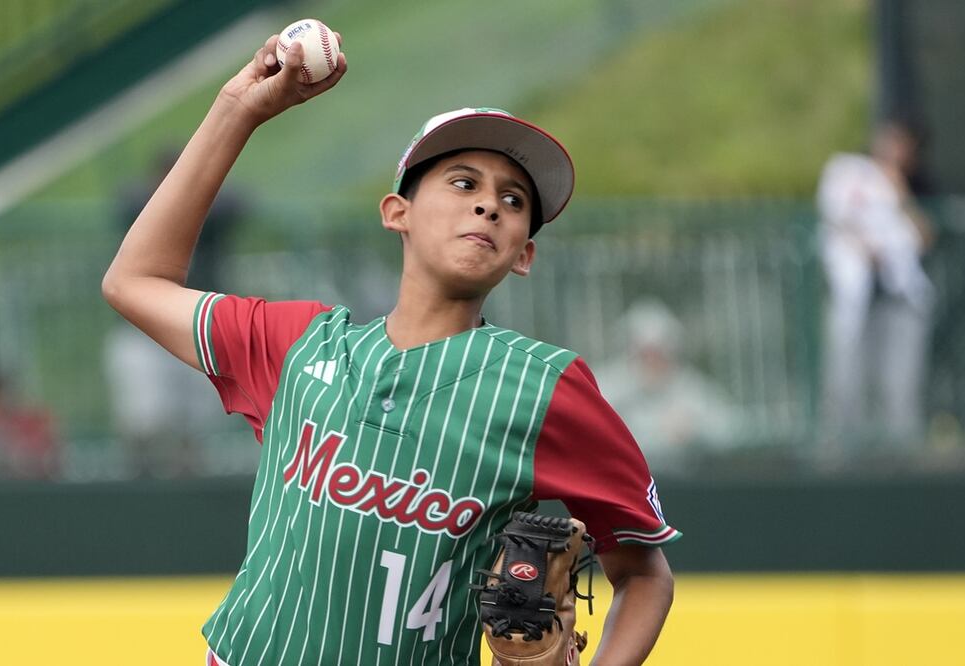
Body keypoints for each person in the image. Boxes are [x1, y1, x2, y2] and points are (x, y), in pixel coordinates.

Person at [102, 32, 679, 665]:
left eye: (514, 201)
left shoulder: (542, 390)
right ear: (396, 212)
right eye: (463, 184)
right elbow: (135, 281)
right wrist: (238, 109)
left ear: (525, 254)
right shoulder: (298, 344)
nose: (489, 204)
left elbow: (645, 573)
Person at [104, 149, 245, 477]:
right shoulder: (142, 206)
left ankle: (188, 478)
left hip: (192, 328)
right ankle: (139, 479)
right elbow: (125, 199)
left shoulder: (211, 208)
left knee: (194, 424)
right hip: (142, 330)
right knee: (144, 419)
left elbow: (239, 202)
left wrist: (198, 191)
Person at [817, 120, 935, 456]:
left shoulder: (914, 183)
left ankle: (900, 461)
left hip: (897, 298)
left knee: (898, 390)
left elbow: (926, 236)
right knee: (845, 385)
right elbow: (836, 219)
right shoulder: (847, 172)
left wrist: (900, 193)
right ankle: (843, 458)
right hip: (852, 299)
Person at [595, 299, 744, 468]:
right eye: (645, 353)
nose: (652, 361)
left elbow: (729, 428)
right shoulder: (610, 385)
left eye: (658, 353)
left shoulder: (690, 387)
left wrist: (693, 431)